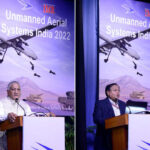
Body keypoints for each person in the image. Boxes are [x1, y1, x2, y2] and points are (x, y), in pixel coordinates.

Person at [0, 81, 32, 150]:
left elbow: (31, 116)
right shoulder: (1, 102)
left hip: (22, 139)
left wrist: (44, 115)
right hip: (3, 139)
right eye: (13, 89)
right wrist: (7, 116)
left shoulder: (24, 105)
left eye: (18, 89)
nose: (16, 92)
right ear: (8, 91)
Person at [93, 83, 126, 150]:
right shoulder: (100, 103)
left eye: (119, 90)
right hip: (105, 138)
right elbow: (96, 119)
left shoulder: (123, 104)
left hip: (121, 138)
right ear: (108, 92)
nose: (118, 92)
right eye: (115, 90)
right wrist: (112, 123)